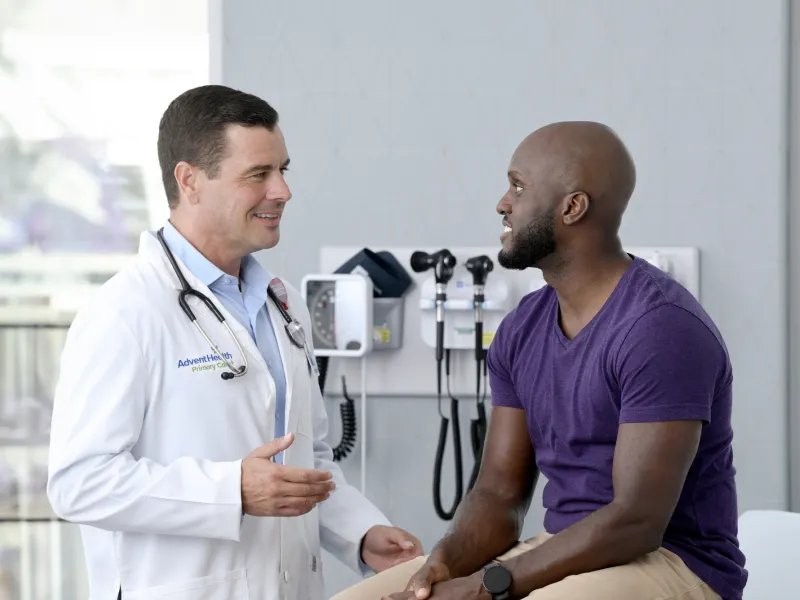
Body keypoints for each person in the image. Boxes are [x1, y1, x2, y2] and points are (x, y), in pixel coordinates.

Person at [333, 121, 747, 600]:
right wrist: (442, 566)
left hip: (675, 564)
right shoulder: (522, 327)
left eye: (518, 186)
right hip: (564, 550)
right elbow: (498, 495)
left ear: (572, 208)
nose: (502, 203)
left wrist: (489, 587)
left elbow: (636, 522)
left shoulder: (661, 329)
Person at [46, 84, 422, 600]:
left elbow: (307, 460)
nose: (282, 191)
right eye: (258, 175)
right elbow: (79, 483)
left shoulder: (282, 302)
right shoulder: (124, 312)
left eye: (283, 170)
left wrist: (360, 533)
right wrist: (230, 491)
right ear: (190, 180)